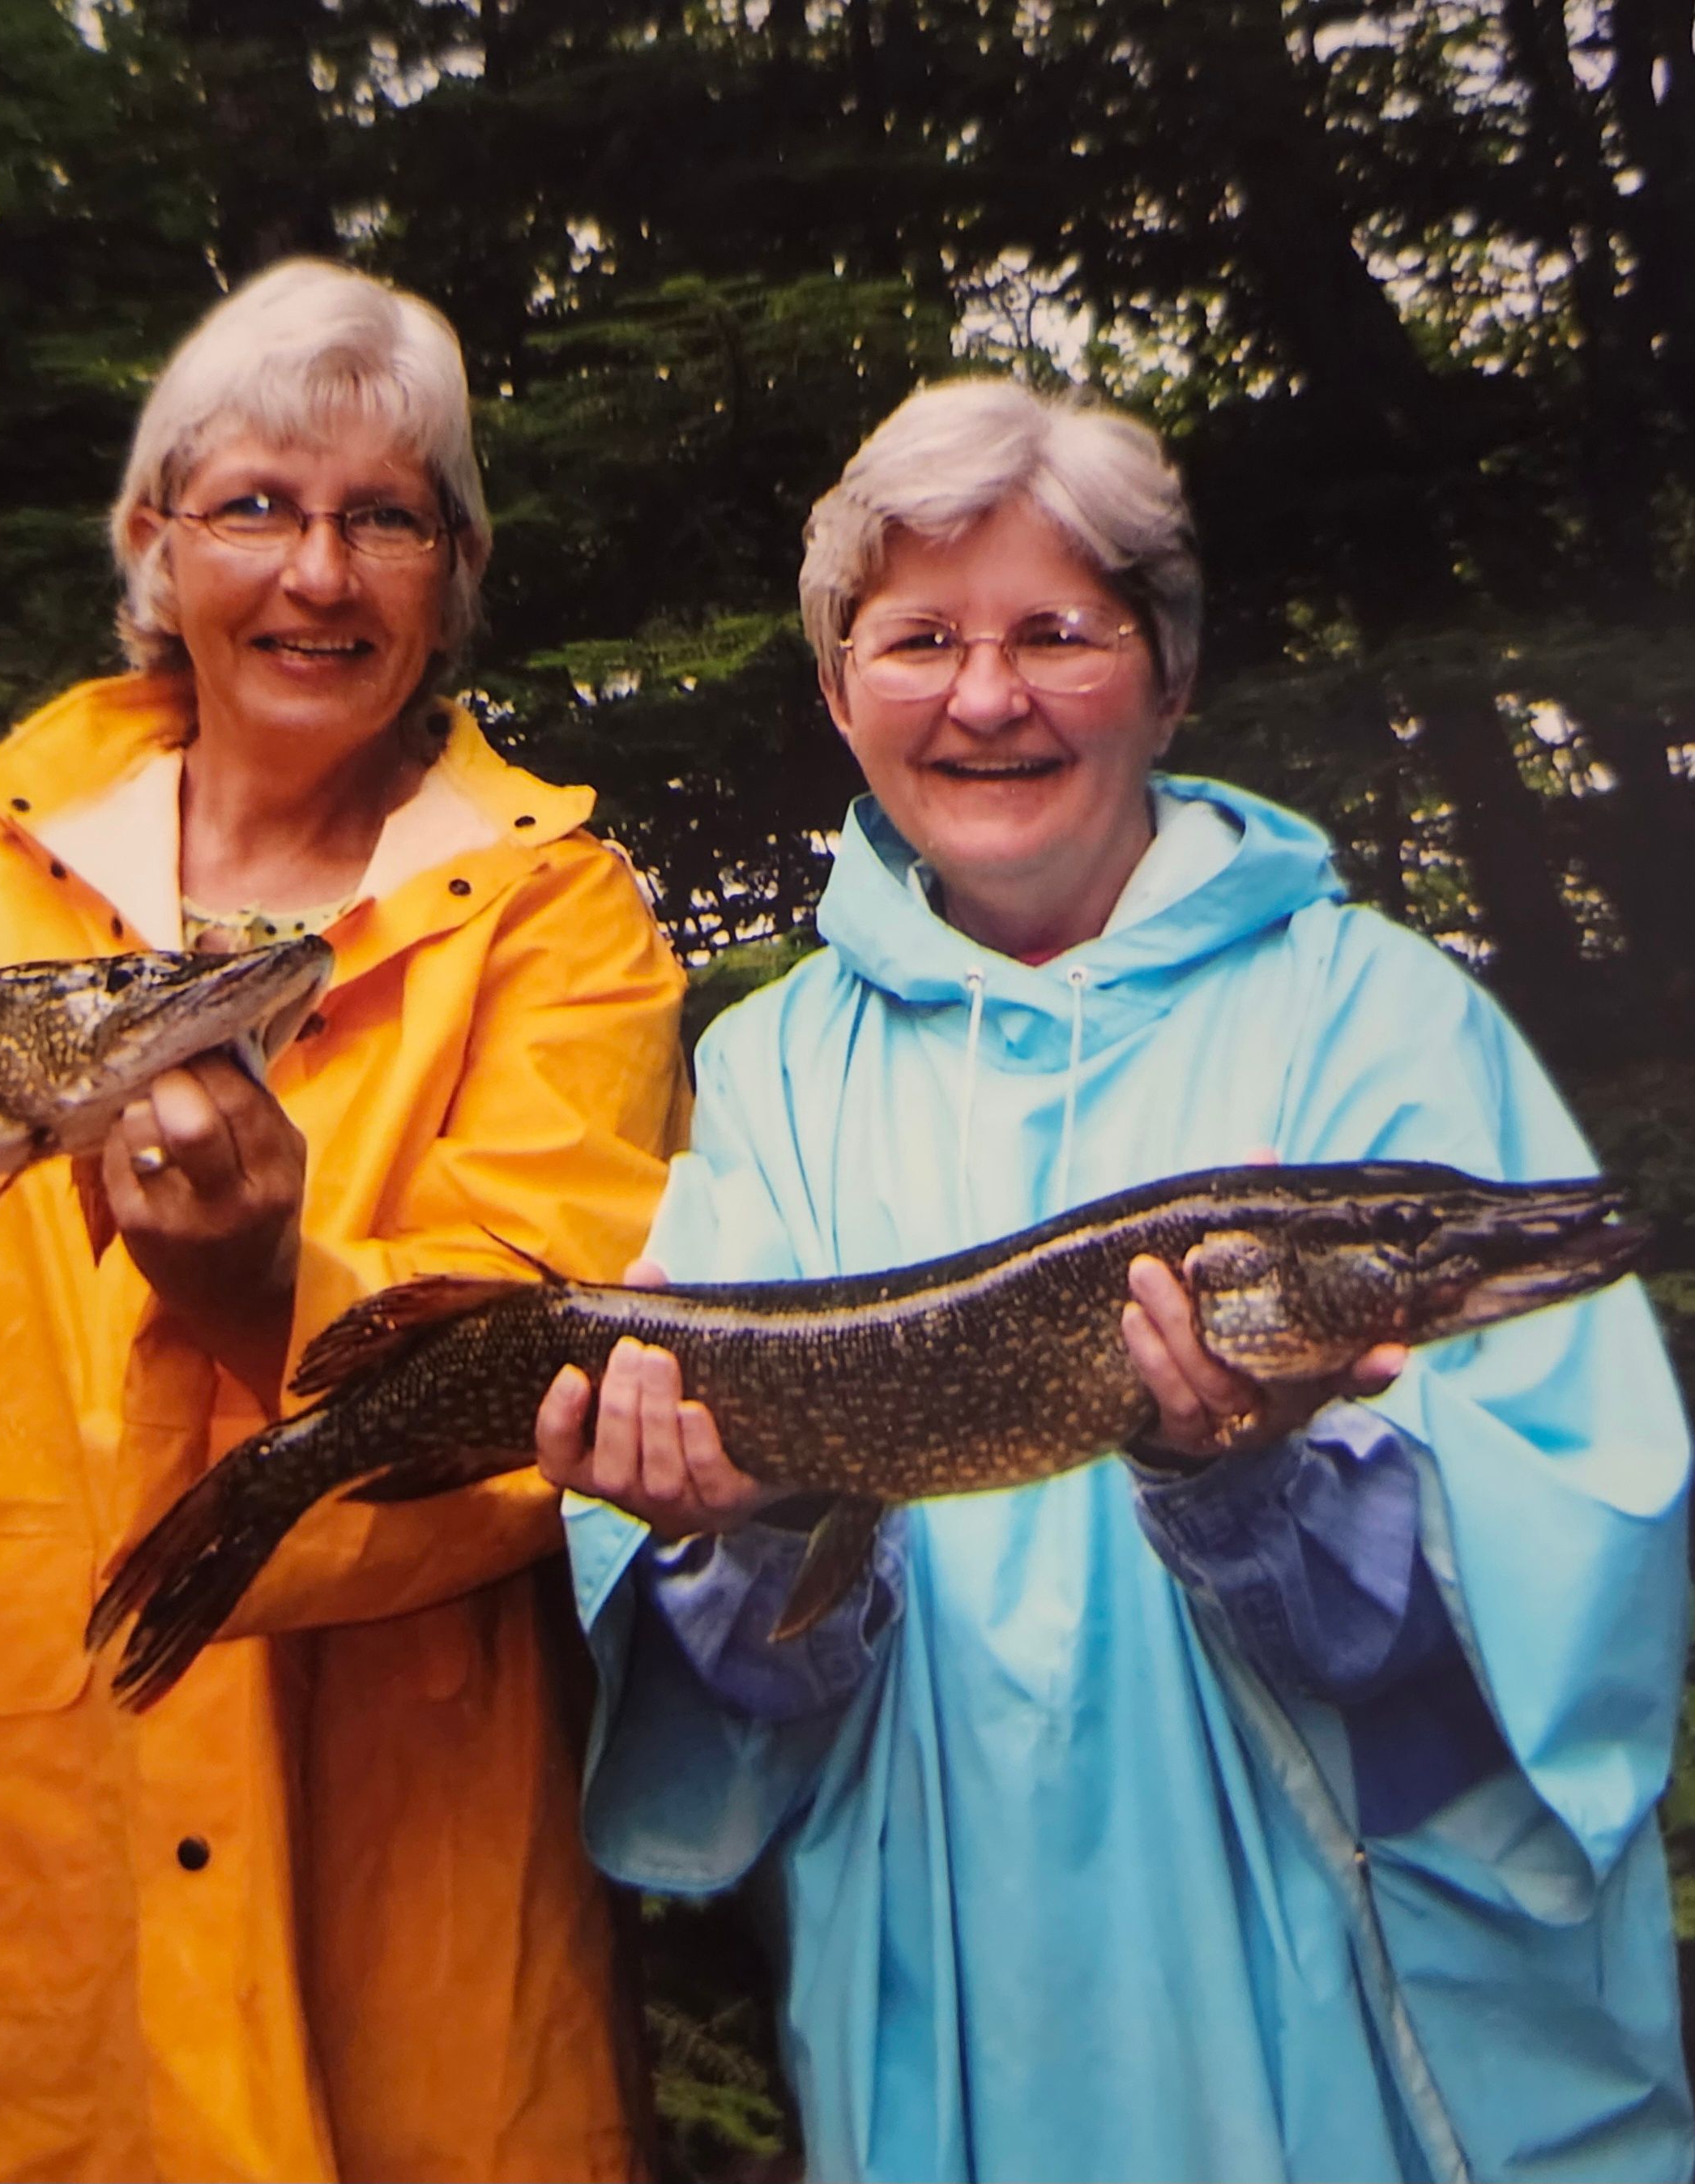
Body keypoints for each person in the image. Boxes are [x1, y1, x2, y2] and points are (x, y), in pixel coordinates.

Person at [0, 258, 686, 2183]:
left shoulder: (558, 923)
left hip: (388, 1914)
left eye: (383, 518)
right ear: (153, 545)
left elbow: (540, 1398)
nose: (315, 575)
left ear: (454, 568)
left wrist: (267, 1293)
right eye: (252, 507)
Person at [535, 378, 1693, 2183]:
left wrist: (1261, 1491)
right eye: (918, 638)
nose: (985, 698)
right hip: (960, 1961)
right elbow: (744, 1662)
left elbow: (1574, 1554)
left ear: (1168, 673)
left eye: (1056, 633)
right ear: (840, 694)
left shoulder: (1386, 1018)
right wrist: (741, 1527)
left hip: (1347, 1979)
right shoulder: (766, 1070)